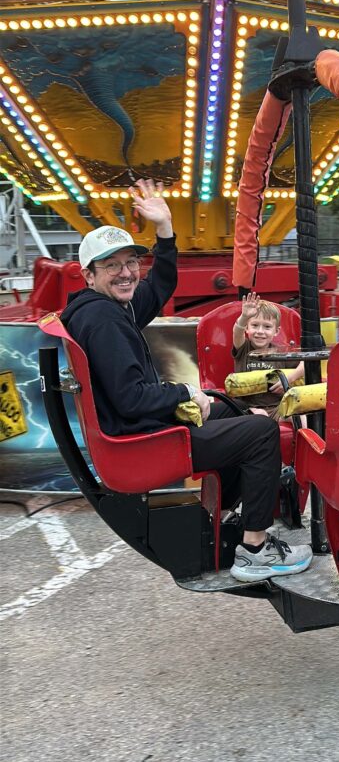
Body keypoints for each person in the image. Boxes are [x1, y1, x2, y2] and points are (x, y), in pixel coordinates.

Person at [61, 179, 312, 583]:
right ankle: (254, 550)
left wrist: (164, 230)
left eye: (130, 263)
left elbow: (159, 286)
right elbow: (130, 399)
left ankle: (225, 517)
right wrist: (186, 393)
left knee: (232, 410)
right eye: (112, 266)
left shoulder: (105, 308)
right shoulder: (104, 321)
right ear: (88, 275)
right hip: (142, 441)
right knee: (262, 431)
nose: (126, 273)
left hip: (136, 432)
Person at [232, 292, 305, 419]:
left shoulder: (281, 353)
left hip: (278, 407)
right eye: (255, 325)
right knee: (260, 417)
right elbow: (237, 332)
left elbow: (306, 363)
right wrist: (244, 317)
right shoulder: (243, 348)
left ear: (276, 331)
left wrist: (290, 377)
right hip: (248, 407)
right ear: (247, 329)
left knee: (300, 417)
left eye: (267, 327)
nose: (260, 331)